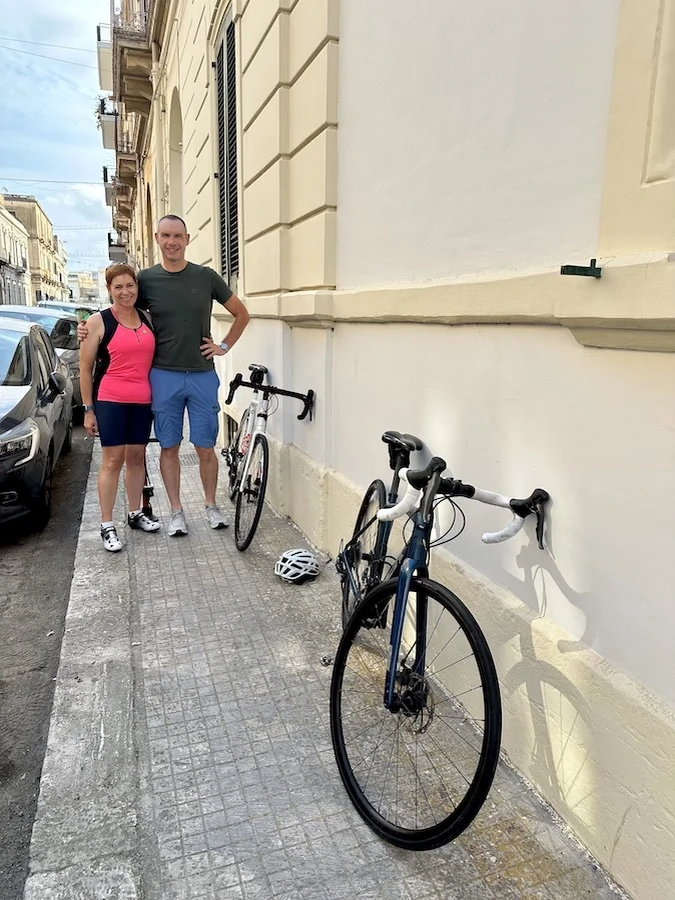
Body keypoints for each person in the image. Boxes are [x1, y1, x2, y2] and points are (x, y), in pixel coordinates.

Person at [79, 215, 250, 537]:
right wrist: (87, 327)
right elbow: (121, 307)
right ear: (157, 238)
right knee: (169, 447)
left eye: (178, 236)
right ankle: (175, 511)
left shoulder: (207, 277)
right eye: (166, 236)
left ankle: (211, 506)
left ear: (187, 238)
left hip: (202, 374)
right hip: (162, 376)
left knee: (205, 446)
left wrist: (224, 345)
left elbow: (242, 314)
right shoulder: (146, 280)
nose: (172, 242)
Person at [80, 263, 160, 552]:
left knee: (137, 458)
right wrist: (88, 409)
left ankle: (135, 512)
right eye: (118, 287)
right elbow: (85, 368)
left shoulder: (147, 318)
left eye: (130, 285)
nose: (125, 292)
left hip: (143, 400)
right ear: (109, 290)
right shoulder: (97, 321)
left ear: (137, 288)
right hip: (110, 399)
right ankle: (106, 525)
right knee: (113, 461)